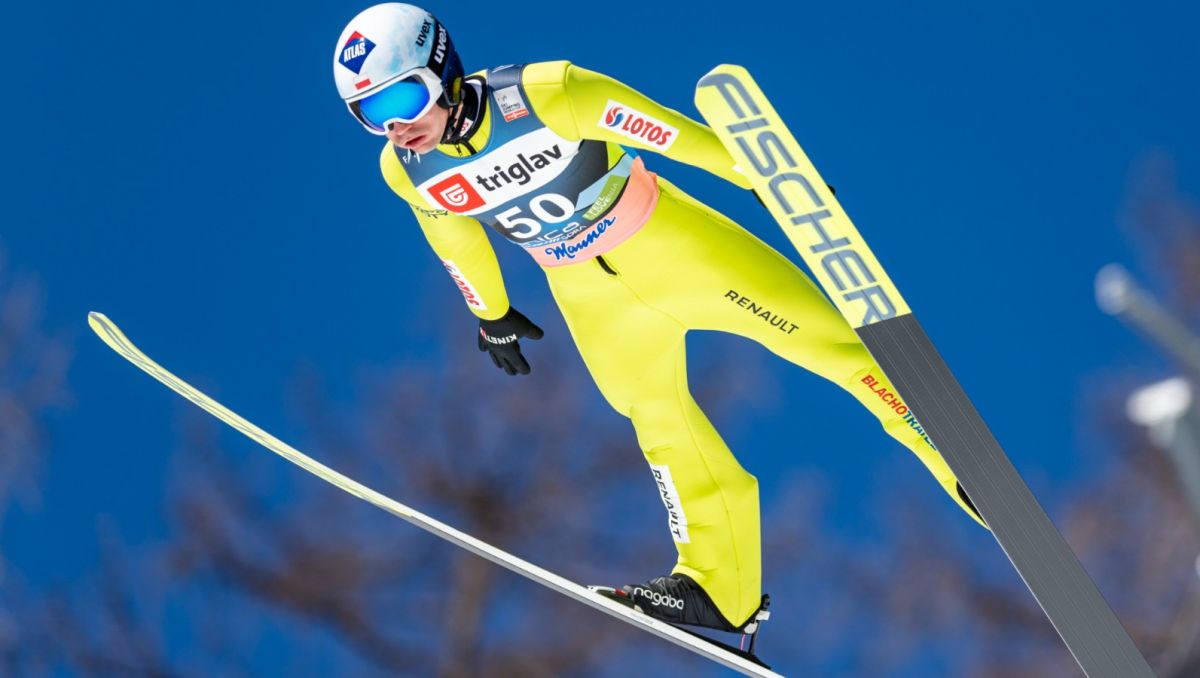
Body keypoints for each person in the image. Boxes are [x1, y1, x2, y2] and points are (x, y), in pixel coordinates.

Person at [333, 2, 985, 639]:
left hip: (674, 247)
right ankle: (716, 589)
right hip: (591, 300)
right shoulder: (406, 171)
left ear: (443, 71)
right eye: (369, 115)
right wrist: (492, 315)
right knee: (659, 424)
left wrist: (763, 178)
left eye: (400, 102)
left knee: (829, 343)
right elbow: (455, 241)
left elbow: (665, 131)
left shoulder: (545, 94)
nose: (394, 128)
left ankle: (952, 458)